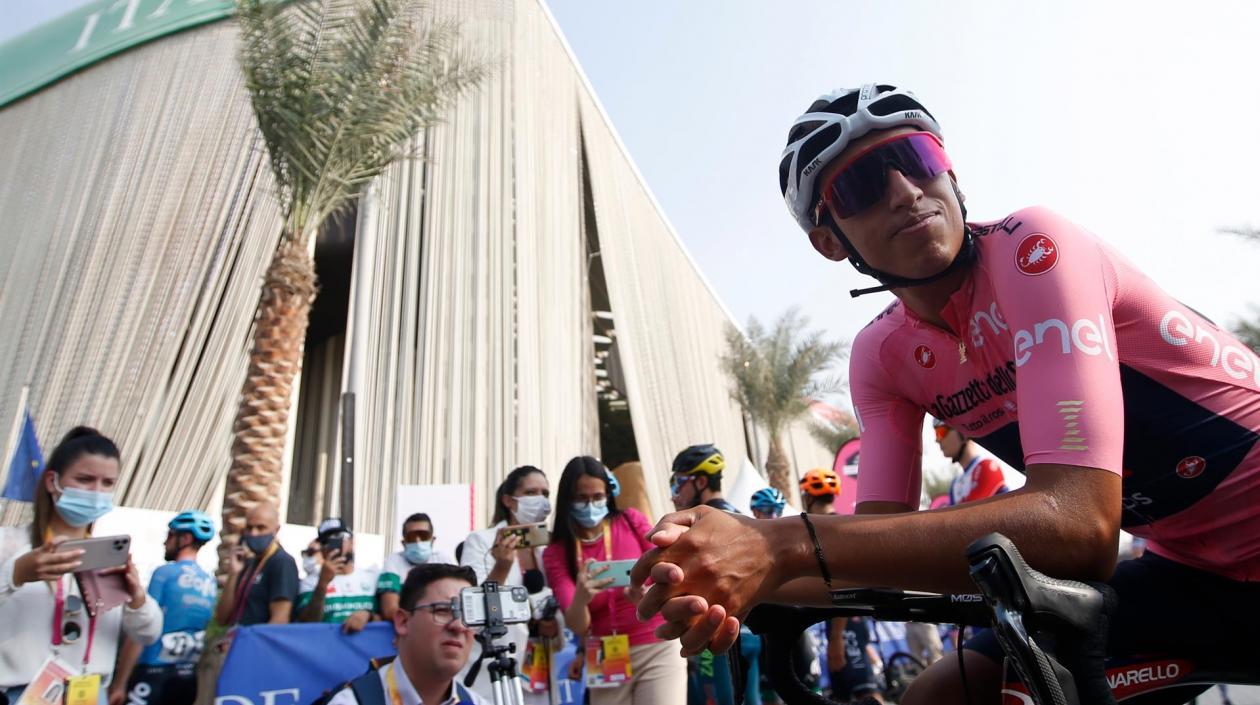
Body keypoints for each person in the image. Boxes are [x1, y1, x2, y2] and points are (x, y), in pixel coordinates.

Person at [630, 83, 1260, 705]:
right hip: (1196, 570)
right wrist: (726, 574)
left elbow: (1080, 529)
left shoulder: (1034, 250)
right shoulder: (883, 356)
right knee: (941, 694)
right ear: (830, 241)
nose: (906, 191)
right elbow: (875, 550)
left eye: (918, 160)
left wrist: (779, 544)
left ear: (950, 173)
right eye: (862, 186)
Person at [0, 427, 162, 703]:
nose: (96, 492)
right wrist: (17, 574)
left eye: (108, 483)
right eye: (85, 479)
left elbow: (148, 633)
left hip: (88, 694)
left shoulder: (108, 556)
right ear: (53, 481)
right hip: (21, 694)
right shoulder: (10, 544)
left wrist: (136, 598)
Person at [542, 456, 686, 704]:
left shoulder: (631, 521)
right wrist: (581, 597)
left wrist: (648, 594)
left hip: (655, 643)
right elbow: (577, 625)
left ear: (608, 495)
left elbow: (670, 568)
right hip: (604, 653)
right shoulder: (556, 551)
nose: (591, 505)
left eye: (598, 497)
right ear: (567, 499)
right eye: (581, 498)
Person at [321, 563, 486, 704]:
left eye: (469, 616)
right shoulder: (352, 701)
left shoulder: (477, 702)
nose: (459, 626)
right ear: (403, 621)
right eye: (442, 611)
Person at [460, 466, 558, 702]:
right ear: (508, 500)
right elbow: (474, 606)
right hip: (495, 664)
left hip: (539, 662)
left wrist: (553, 621)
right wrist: (501, 566)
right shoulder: (481, 541)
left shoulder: (550, 548)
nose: (540, 500)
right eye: (531, 492)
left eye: (545, 493)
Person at [110, 511, 217, 705]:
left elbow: (141, 628)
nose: (165, 542)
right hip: (187, 677)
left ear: (185, 538)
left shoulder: (164, 573)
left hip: (152, 673)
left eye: (170, 535)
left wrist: (119, 684)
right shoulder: (209, 581)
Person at [800, 471, 882, 703]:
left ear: (809, 497)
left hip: (845, 622)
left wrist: (837, 638)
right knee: (843, 694)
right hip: (842, 621)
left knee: (865, 690)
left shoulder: (829, 530)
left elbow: (845, 585)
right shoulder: (832, 525)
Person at [213, 501, 298, 627]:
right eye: (249, 528)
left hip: (256, 643)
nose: (254, 533)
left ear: (276, 530)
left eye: (261, 528)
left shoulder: (282, 562)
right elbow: (221, 619)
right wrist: (233, 574)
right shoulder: (246, 564)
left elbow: (279, 620)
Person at [297, 518, 383, 633]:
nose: (332, 545)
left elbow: (390, 619)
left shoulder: (372, 577)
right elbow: (307, 624)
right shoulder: (309, 582)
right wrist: (322, 584)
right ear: (321, 549)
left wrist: (368, 615)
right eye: (325, 542)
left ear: (352, 542)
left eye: (339, 538)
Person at [379, 513, 456, 621]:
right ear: (403, 542)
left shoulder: (442, 560)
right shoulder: (393, 562)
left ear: (432, 540)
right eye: (411, 537)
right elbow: (389, 610)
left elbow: (455, 599)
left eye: (423, 536)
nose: (418, 541)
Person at [932, 418, 1007, 506]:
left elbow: (969, 514)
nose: (937, 440)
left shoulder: (988, 466)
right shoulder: (955, 484)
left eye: (941, 432)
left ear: (963, 432)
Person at [670, 444, 738, 513]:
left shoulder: (707, 519)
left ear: (701, 482)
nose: (673, 498)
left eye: (679, 482)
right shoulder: (735, 515)